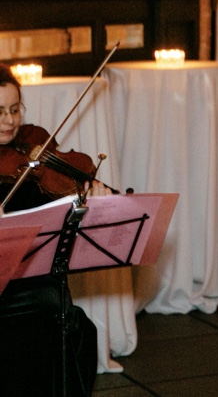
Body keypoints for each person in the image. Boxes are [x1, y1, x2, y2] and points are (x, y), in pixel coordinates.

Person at [0, 63, 111, 396]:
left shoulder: (35, 139)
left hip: (37, 274)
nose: (9, 120)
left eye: (15, 109)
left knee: (76, 327)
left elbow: (62, 184)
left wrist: (91, 189)